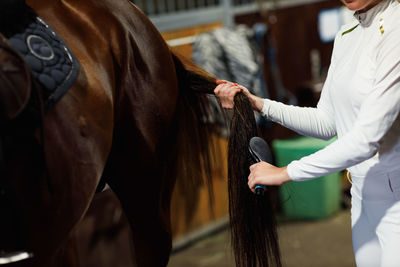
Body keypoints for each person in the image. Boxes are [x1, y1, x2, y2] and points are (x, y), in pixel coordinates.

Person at [214, 0, 400, 266]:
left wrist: (284, 172)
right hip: (362, 194)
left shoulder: (396, 28)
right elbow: (326, 122)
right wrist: (259, 103)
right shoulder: (347, 35)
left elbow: (365, 140)